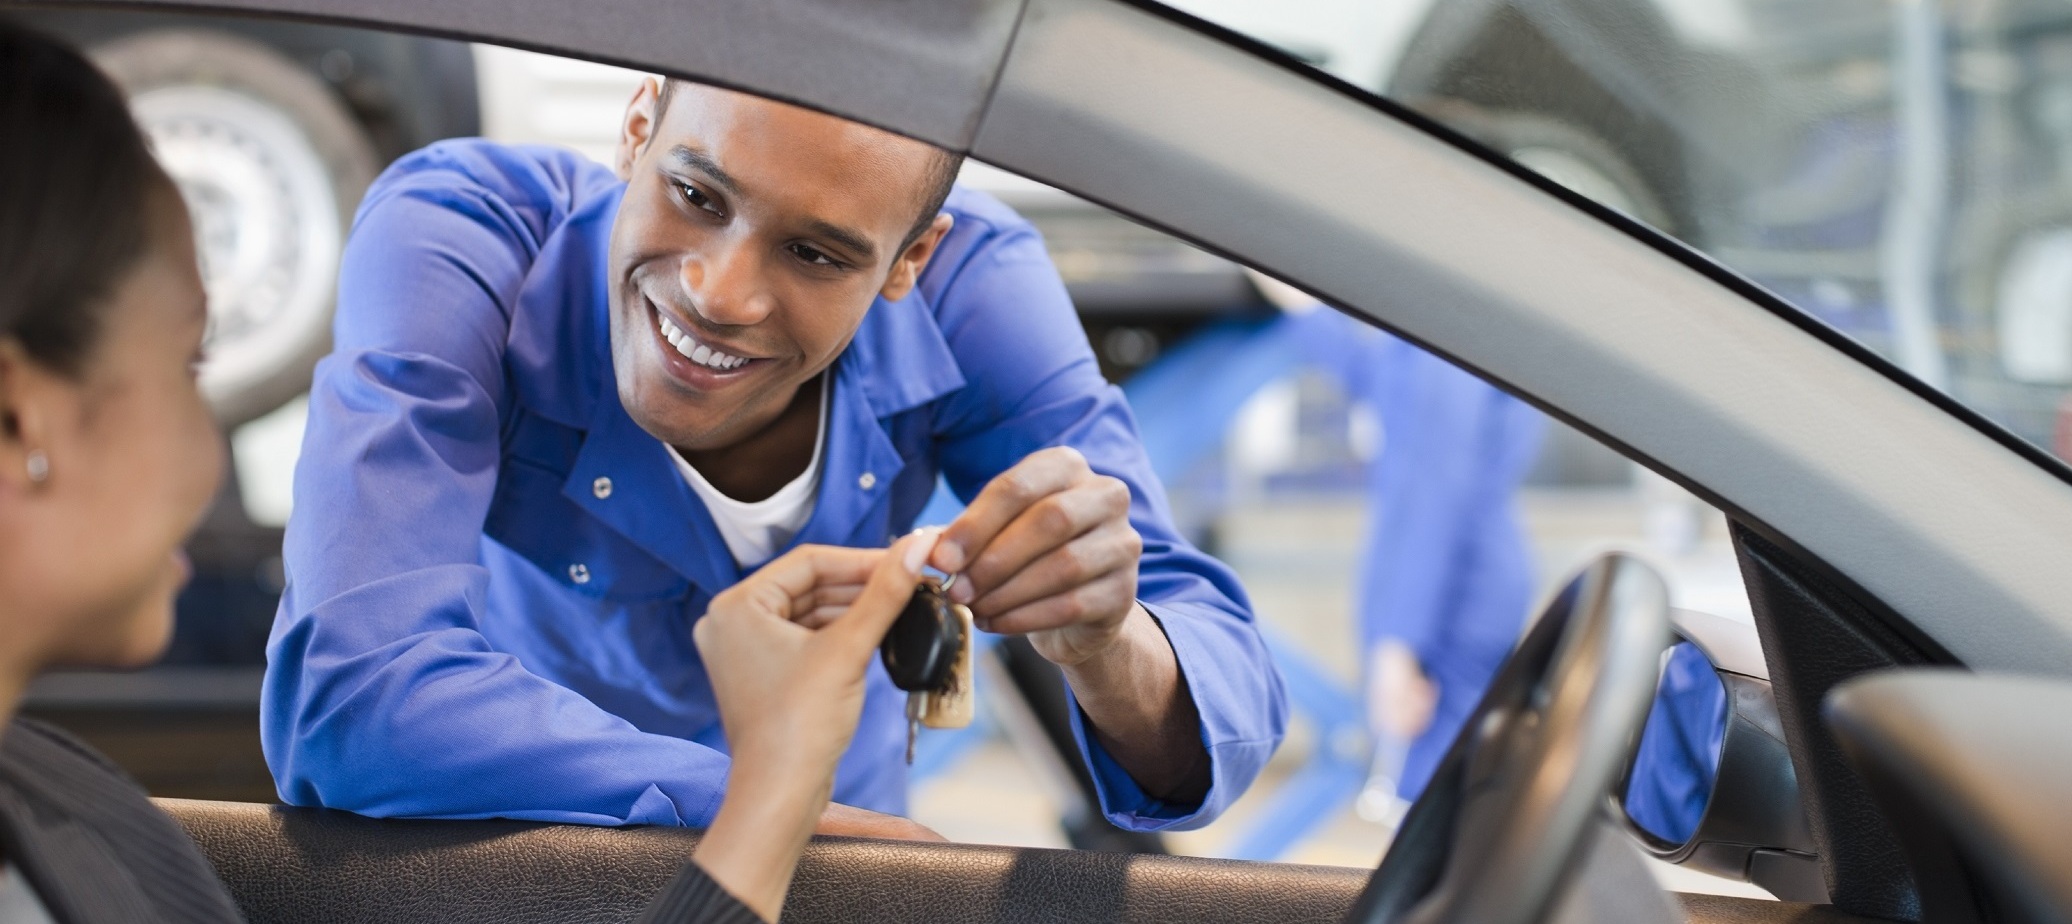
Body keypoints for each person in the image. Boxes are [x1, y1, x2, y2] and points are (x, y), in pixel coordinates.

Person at [0, 22, 906, 922]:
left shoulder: (74, 813)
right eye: (187, 367)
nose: (212, 459)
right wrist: (764, 800)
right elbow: (353, 696)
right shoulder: (81, 832)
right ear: (17, 416)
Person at [263, 74, 1284, 837]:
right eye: (696, 195)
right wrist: (766, 803)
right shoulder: (469, 234)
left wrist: (1108, 643)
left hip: (835, 863)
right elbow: (349, 694)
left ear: (910, 260)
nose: (720, 294)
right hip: (539, 856)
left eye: (814, 254)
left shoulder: (974, 286)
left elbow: (1220, 706)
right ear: (636, 126)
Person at [1290, 310, 1544, 813]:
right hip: (1463, 578)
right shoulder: (1451, 329)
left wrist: (1399, 643)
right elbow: (1380, 381)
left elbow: (1433, 486)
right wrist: (1307, 313)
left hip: (1452, 595)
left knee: (1435, 806)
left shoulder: (1449, 329)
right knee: (1450, 800)